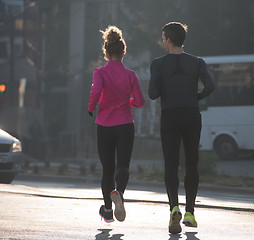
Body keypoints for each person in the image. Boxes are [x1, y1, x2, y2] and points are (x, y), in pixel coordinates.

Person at [148, 22, 215, 234]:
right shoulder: (197, 62)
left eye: (162, 38)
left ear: (168, 39)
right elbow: (210, 86)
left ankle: (173, 208)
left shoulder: (158, 64)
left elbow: (152, 93)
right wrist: (195, 97)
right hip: (191, 115)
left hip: (170, 116)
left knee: (171, 164)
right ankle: (190, 213)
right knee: (192, 163)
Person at [88, 25, 145, 223]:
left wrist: (91, 107)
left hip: (104, 124)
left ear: (106, 51)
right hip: (125, 124)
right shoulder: (131, 75)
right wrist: (125, 102)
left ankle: (107, 210)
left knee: (107, 169)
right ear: (123, 52)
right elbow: (139, 101)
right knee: (123, 165)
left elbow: (95, 92)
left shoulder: (100, 72)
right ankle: (119, 192)